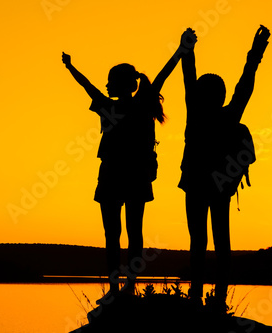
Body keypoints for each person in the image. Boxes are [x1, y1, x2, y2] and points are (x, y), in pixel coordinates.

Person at [62, 28, 197, 303]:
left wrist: (181, 50)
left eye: (111, 81)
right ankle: (122, 288)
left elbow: (161, 74)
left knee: (118, 234)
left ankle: (120, 289)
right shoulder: (131, 104)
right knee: (128, 232)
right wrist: (71, 67)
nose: (107, 85)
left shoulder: (123, 105)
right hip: (131, 175)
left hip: (118, 175)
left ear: (122, 84)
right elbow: (88, 85)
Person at [179, 25, 271, 311]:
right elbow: (245, 84)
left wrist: (188, 49)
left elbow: (188, 76)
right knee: (221, 241)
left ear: (200, 94)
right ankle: (217, 299)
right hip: (218, 184)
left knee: (199, 241)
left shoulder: (195, 112)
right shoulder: (229, 115)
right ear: (221, 95)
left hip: (196, 182)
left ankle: (197, 296)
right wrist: (255, 55)